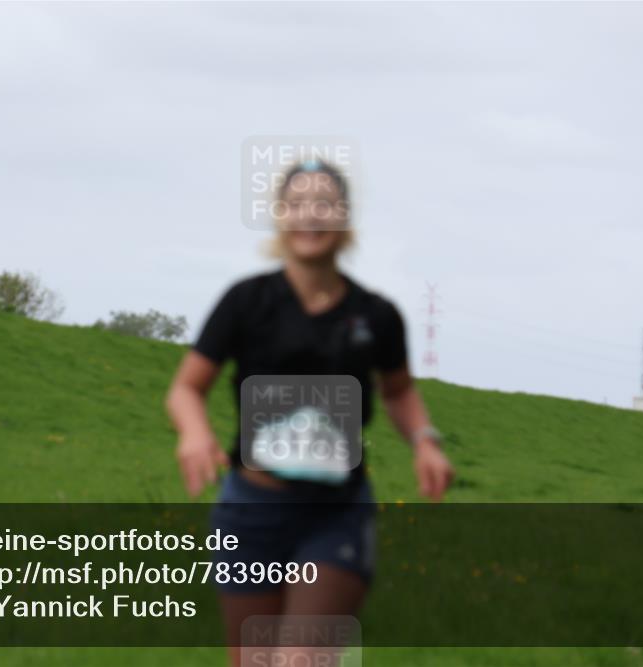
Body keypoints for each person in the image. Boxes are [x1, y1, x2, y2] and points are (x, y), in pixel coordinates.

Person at [165, 158, 454, 667]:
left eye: (324, 204)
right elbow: (187, 388)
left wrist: (425, 440)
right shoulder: (246, 302)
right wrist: (193, 433)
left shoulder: (376, 315)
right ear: (279, 216)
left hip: (334, 515)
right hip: (250, 511)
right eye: (297, 204)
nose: (310, 215)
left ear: (344, 217)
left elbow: (400, 391)